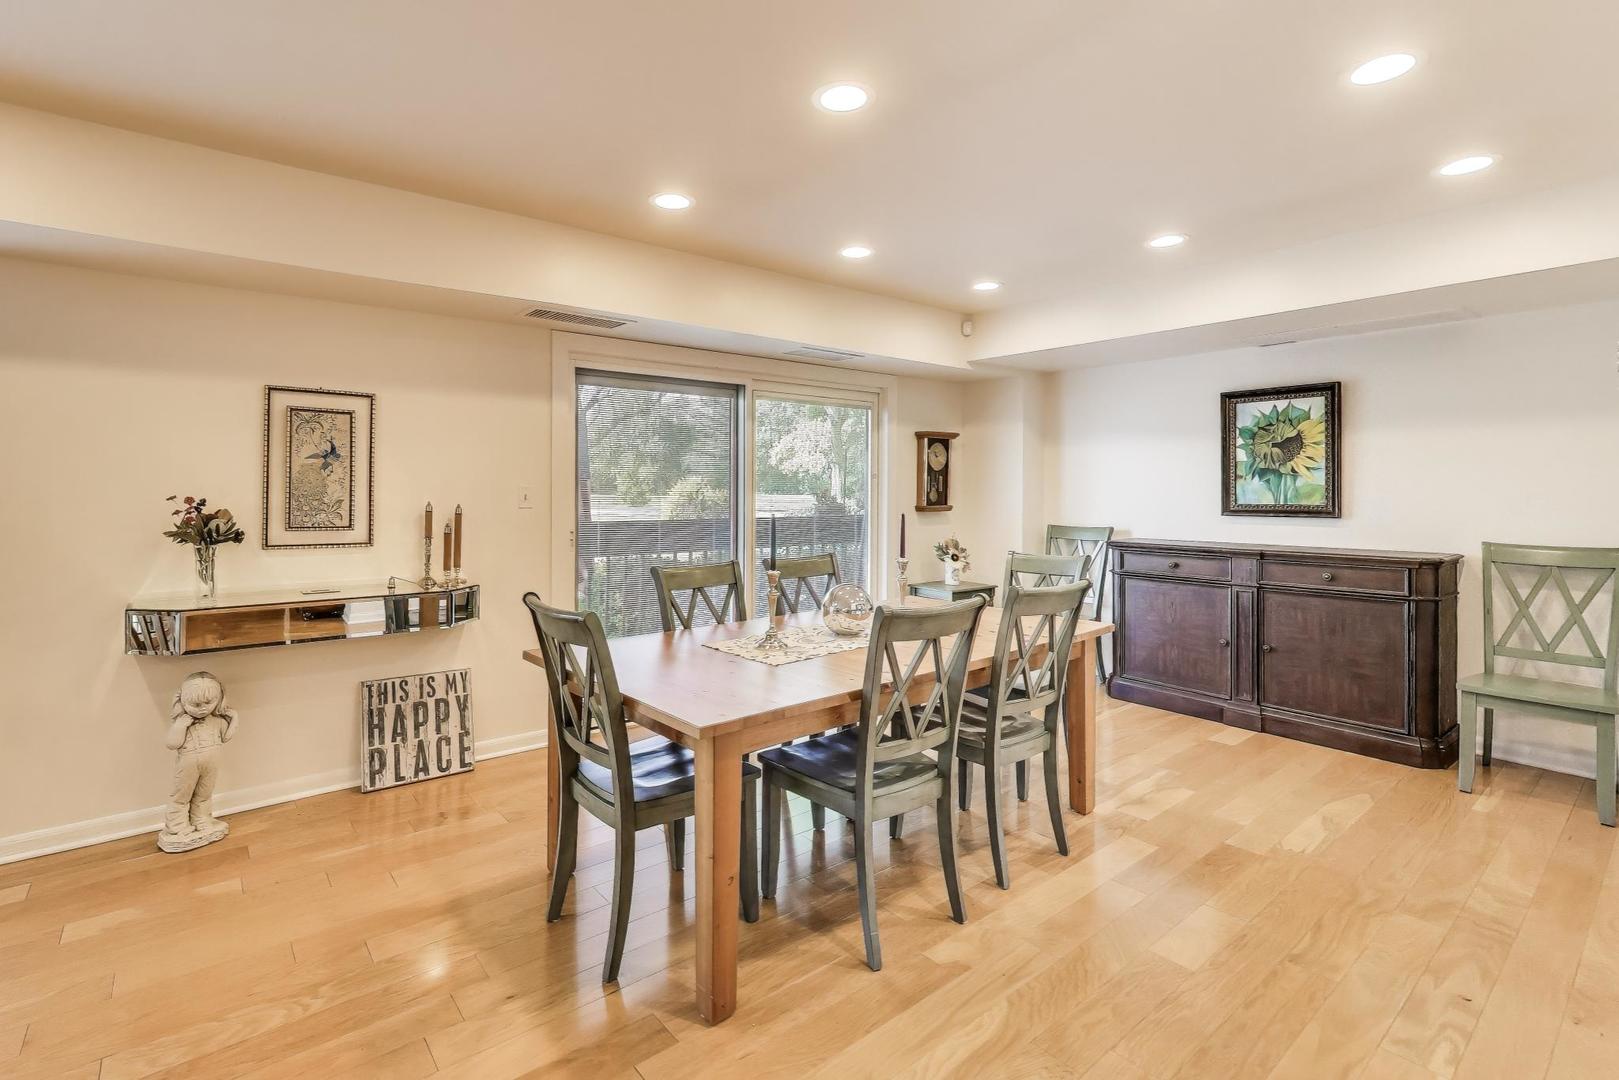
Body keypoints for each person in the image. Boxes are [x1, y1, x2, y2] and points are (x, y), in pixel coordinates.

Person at [158, 671, 239, 852]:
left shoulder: (216, 721)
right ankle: (177, 827)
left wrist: (234, 718)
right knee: (181, 795)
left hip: (211, 762)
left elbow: (226, 737)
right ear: (182, 701)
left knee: (204, 794)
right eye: (195, 704)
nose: (202, 708)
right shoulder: (184, 721)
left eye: (209, 703)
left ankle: (201, 820)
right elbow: (172, 743)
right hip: (188, 762)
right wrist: (180, 725)